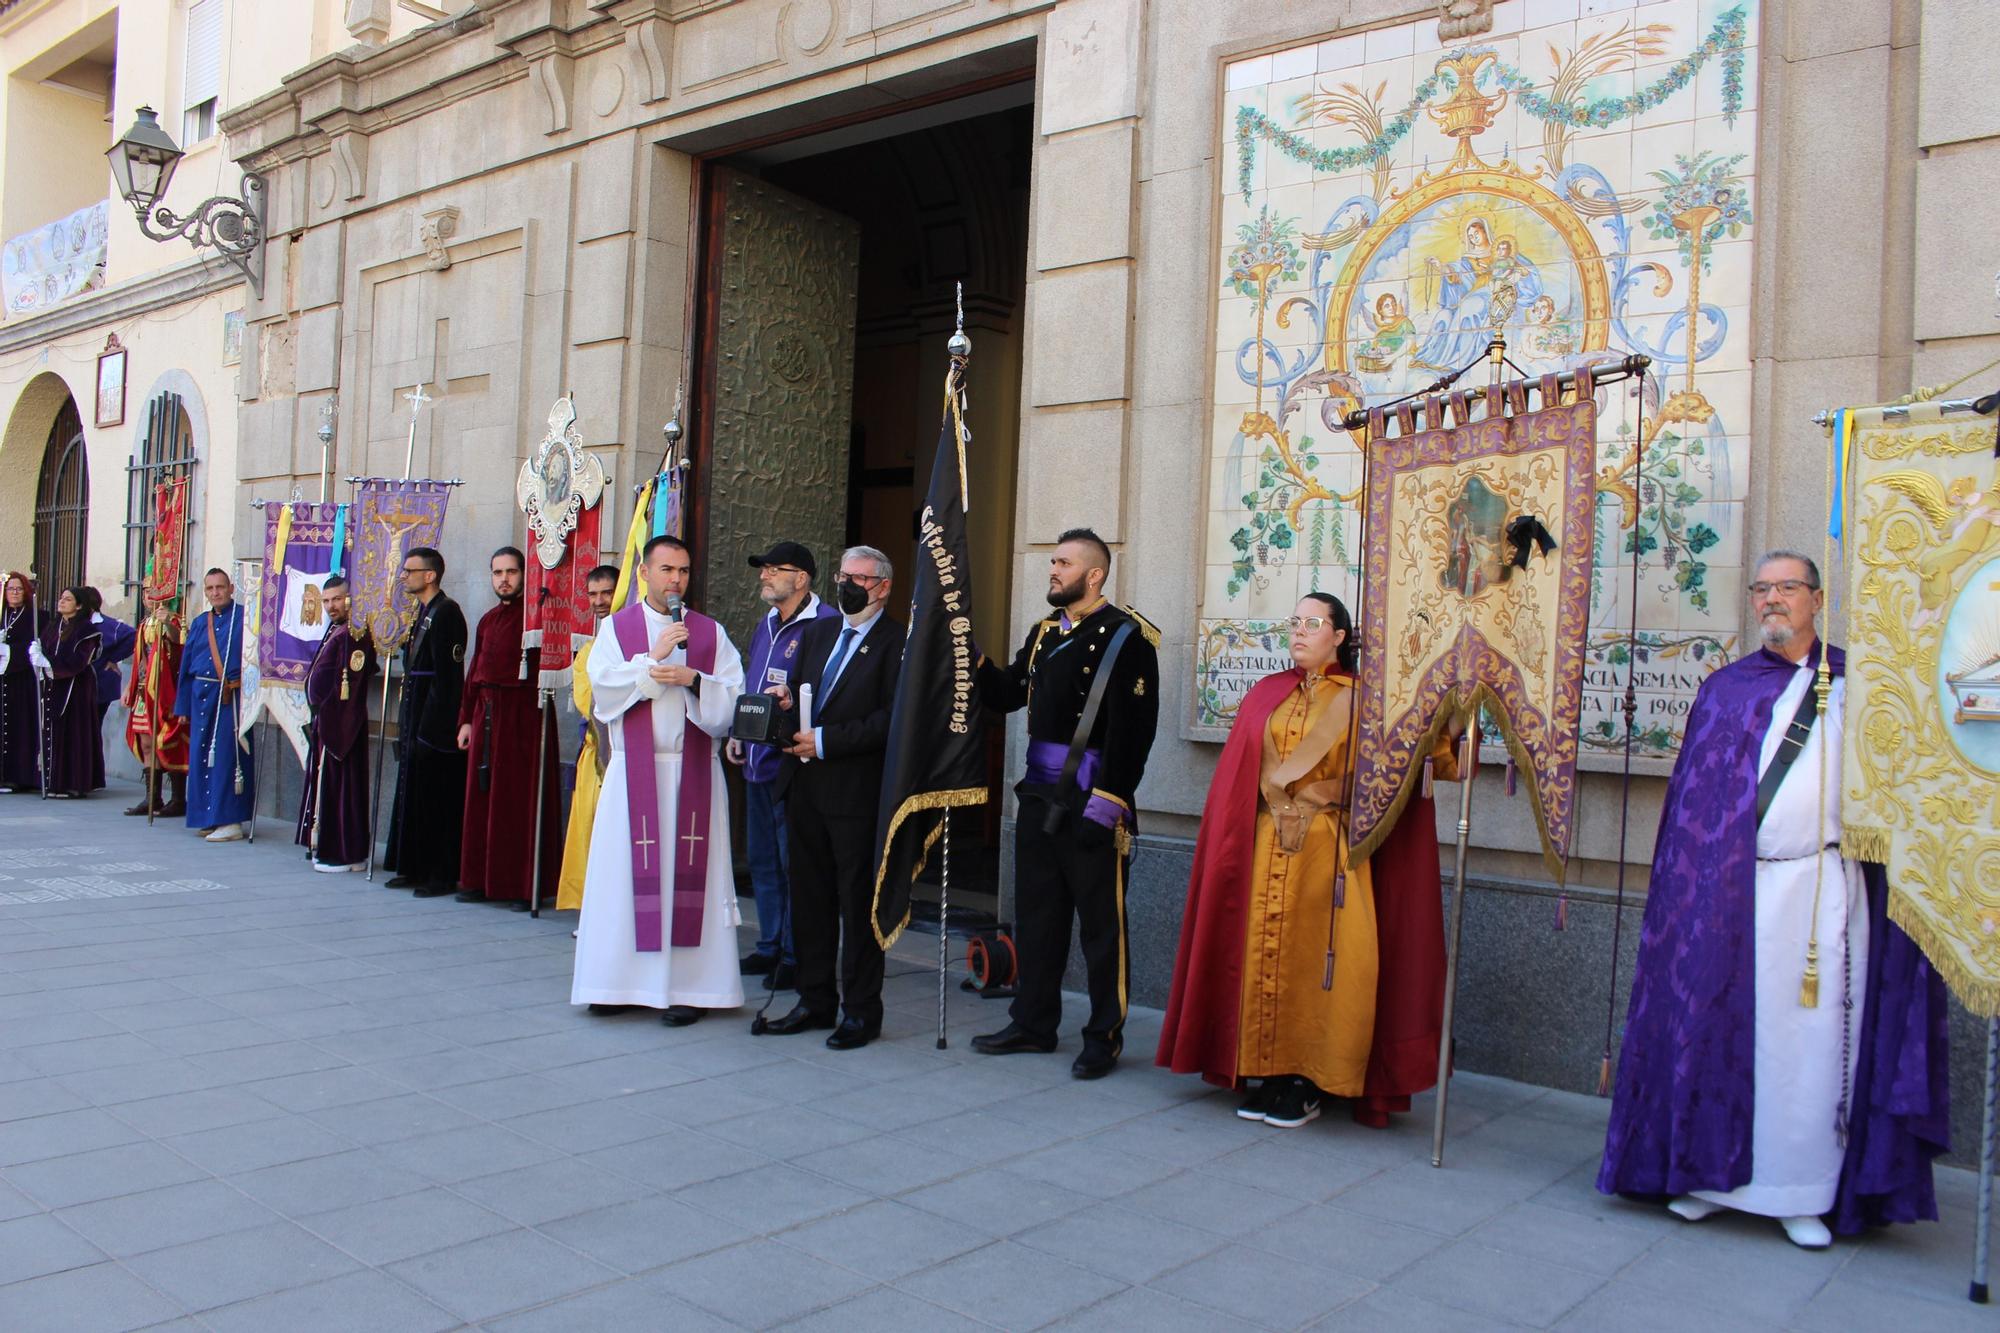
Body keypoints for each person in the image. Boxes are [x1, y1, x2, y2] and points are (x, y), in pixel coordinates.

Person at [1598, 551, 1950, 1248]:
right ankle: (1704, 1178)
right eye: (1762, 589)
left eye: (1787, 587)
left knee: (1805, 1047)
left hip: (1819, 895)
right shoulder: (1728, 690)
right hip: (1727, 893)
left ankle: (1799, 1192)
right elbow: (1693, 807)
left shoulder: (1855, 686)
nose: (1772, 600)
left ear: (1817, 598)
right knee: (1715, 1031)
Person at [1156, 593, 1458, 1129]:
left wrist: (1456, 706)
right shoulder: (1266, 693)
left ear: (1339, 635)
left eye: (1312, 623)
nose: (1299, 632)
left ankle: (1311, 1078)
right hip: (1264, 846)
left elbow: (1420, 765)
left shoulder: (1369, 699)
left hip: (1329, 853)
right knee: (1262, 957)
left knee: (1320, 966)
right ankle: (1267, 1071)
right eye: (1294, 622)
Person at [970, 528, 1160, 1079]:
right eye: (1052, 560)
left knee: (1102, 927)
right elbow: (1007, 694)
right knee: (1038, 918)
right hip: (1038, 795)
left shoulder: (1128, 639)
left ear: (1094, 575)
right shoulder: (1043, 633)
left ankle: (1104, 1036)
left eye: (1063, 562)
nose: (1052, 570)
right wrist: (971, 656)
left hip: (1091, 799)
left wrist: (1109, 803)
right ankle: (1033, 1023)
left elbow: (1134, 732)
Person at [571, 535, 745, 1026]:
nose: (676, 580)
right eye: (667, 569)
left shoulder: (709, 632)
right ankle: (616, 982)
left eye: (684, 571)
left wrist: (692, 679)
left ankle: (692, 988)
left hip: (693, 776)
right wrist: (650, 662)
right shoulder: (618, 629)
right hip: (633, 777)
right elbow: (601, 692)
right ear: (645, 572)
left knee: (691, 881)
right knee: (623, 880)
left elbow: (733, 701)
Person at [759, 546, 904, 1049]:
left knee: (858, 905)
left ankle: (861, 1012)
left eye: (860, 578)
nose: (848, 585)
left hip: (857, 794)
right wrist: (783, 708)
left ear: (882, 587)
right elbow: (801, 694)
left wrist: (824, 740)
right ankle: (814, 1000)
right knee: (810, 900)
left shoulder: (897, 643)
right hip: (804, 786)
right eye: (843, 575)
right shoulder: (818, 632)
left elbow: (892, 720)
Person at [729, 540, 836, 990]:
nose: (765, 575)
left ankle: (797, 953)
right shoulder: (767, 622)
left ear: (802, 578)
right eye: (763, 568)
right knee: (763, 861)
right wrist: (738, 731)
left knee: (796, 865)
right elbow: (754, 682)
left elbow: (831, 697)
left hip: (794, 768)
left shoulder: (826, 624)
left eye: (775, 569)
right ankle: (770, 944)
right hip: (757, 762)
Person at [454, 546, 560, 910]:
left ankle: (520, 885)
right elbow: (474, 672)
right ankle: (479, 879)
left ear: (523, 575)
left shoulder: (539, 618)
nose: (504, 579)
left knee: (517, 801)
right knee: (482, 799)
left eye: (511, 572)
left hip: (523, 716)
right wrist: (466, 719)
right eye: (497, 573)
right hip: (486, 713)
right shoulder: (486, 620)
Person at [383, 547, 469, 897]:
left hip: (433, 723)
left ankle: (440, 873)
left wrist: (430, 730)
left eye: (410, 570)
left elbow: (448, 677)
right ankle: (414, 866)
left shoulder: (447, 613)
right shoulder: (422, 612)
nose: (404, 575)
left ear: (430, 575)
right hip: (415, 711)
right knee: (414, 795)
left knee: (436, 799)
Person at [296, 576, 377, 872]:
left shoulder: (354, 634)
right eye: (326, 600)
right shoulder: (335, 630)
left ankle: (343, 852)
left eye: (337, 599)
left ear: (350, 598)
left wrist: (333, 726)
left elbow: (350, 687)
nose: (331, 605)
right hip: (326, 723)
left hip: (341, 726)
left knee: (343, 791)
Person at [556, 564, 620, 912]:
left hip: (631, 755)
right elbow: (587, 702)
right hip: (597, 754)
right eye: (593, 594)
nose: (599, 601)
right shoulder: (589, 651)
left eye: (606, 593)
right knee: (592, 834)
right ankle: (593, 910)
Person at [174, 568, 253, 841]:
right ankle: (208, 817)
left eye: (220, 587)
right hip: (200, 698)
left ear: (231, 588)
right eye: (210, 588)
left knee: (227, 758)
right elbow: (186, 667)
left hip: (230, 697)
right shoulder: (199, 622)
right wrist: (182, 706)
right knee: (201, 756)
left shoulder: (246, 617)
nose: (215, 593)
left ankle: (231, 821)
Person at [123, 589, 190, 817]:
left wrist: (167, 624)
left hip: (166, 691)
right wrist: (129, 688)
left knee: (168, 739)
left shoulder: (175, 619)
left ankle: (179, 798)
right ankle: (153, 797)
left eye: (153, 591)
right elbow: (139, 658)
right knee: (146, 742)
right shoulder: (144, 623)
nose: (148, 595)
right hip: (144, 691)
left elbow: (178, 642)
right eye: (144, 592)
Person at [34, 588, 104, 798]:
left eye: (68, 599)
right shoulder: (52, 627)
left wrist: (48, 664)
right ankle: (53, 782)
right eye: (61, 598)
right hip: (52, 685)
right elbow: (44, 651)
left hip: (77, 688)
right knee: (53, 730)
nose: (62, 602)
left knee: (73, 732)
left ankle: (73, 783)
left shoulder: (86, 630)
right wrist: (37, 658)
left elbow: (79, 662)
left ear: (79, 605)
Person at [1, 571, 47, 793]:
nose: (14, 593)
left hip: (21, 679)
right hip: (2, 679)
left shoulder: (35, 616)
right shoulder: (2, 614)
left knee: (20, 726)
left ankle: (18, 776)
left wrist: (9, 651)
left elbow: (35, 644)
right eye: (10, 589)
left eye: (19, 589)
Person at [80, 588, 136, 750]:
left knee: (91, 731)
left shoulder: (107, 625)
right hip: (79, 686)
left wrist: (113, 658)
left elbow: (132, 636)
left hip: (99, 686)